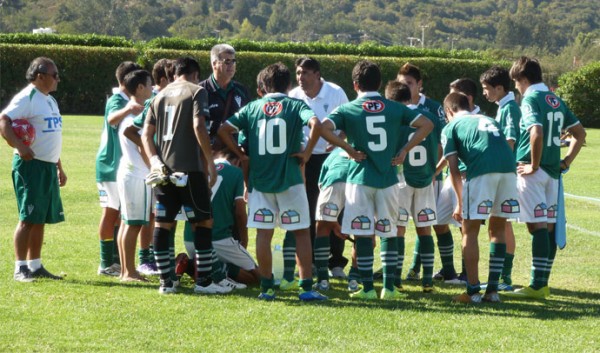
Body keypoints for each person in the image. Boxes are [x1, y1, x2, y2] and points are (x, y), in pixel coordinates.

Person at [218, 63, 360, 301]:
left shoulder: (253, 107)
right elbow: (316, 124)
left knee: (264, 234)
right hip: (290, 179)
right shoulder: (295, 105)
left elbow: (224, 129)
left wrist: (241, 155)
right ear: (288, 85)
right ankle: (305, 288)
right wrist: (307, 154)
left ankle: (267, 288)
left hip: (260, 181)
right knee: (301, 232)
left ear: (263, 85)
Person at [323, 60, 433, 300]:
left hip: (360, 179)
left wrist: (347, 148)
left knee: (363, 234)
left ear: (354, 85)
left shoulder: (348, 109)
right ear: (380, 83)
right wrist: (404, 150)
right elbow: (427, 124)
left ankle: (368, 290)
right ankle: (389, 288)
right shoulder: (394, 107)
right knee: (388, 232)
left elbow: (322, 128)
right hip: (389, 179)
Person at [141, 56, 230, 295]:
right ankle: (204, 282)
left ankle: (166, 283)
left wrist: (154, 161)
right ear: (194, 74)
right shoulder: (197, 91)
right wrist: (210, 162)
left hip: (163, 172)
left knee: (163, 223)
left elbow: (145, 135)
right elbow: (198, 125)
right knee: (203, 221)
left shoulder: (158, 95)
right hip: (190, 168)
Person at [505, 57, 586, 299]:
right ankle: (542, 282)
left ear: (524, 79)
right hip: (553, 172)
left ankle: (536, 285)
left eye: (516, 83)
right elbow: (579, 134)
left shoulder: (531, 98)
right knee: (548, 227)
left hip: (535, 172)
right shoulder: (555, 99)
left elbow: (536, 131)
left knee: (536, 226)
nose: (516, 89)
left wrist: (533, 164)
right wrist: (565, 162)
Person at [442, 92, 519, 303]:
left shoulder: (451, 126)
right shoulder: (489, 119)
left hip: (482, 173)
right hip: (509, 170)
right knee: (498, 229)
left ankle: (473, 291)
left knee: (470, 230)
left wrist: (459, 202)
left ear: (448, 111)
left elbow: (454, 170)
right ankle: (493, 291)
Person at [0, 57, 66, 281]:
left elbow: (51, 135)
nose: (58, 79)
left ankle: (35, 265)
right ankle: (20, 267)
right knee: (27, 217)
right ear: (40, 76)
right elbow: (4, 120)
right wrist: (19, 145)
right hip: (30, 166)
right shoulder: (27, 97)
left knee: (40, 218)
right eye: (54, 75)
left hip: (47, 166)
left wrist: (59, 165)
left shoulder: (50, 100)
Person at [288, 57, 350, 289]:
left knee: (335, 209)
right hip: (305, 159)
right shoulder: (294, 95)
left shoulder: (335, 92)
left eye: (304, 73)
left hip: (331, 158)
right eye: (298, 73)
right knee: (309, 207)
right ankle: (311, 261)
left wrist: (340, 141)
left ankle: (336, 262)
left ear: (317, 74)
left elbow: (346, 122)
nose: (300, 78)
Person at [397, 63, 457, 283]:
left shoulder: (433, 108)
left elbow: (443, 141)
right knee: (411, 223)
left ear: (419, 84)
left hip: (428, 175)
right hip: (405, 176)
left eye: (409, 84)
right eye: (401, 84)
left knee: (430, 223)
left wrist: (435, 169)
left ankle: (446, 268)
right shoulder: (398, 108)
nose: (405, 87)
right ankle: (413, 269)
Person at [384, 81, 443, 293]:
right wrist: (432, 171)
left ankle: (396, 278)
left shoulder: (394, 117)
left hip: (402, 178)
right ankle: (427, 280)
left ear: (391, 100)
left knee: (399, 229)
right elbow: (439, 146)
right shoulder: (431, 117)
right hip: (425, 178)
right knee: (424, 229)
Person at [179, 148, 260, 287]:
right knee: (257, 278)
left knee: (210, 265)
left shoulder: (199, 168)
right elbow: (240, 212)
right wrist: (244, 238)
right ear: (237, 161)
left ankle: (191, 265)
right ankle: (202, 267)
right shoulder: (236, 173)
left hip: (190, 239)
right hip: (219, 238)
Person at [95, 61, 143, 276]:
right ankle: (106, 262)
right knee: (110, 212)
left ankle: (116, 260)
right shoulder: (118, 99)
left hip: (121, 164)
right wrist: (128, 109)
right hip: (110, 164)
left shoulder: (128, 99)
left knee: (120, 215)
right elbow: (111, 119)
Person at [131, 58, 175, 276]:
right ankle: (146, 258)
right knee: (155, 216)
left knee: (165, 216)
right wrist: (151, 157)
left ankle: (165, 259)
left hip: (170, 166)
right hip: (157, 168)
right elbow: (132, 130)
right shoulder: (156, 101)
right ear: (166, 79)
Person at [480, 66, 521, 291]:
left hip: (505, 172)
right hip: (504, 171)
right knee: (501, 222)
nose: (484, 93)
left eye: (487, 89)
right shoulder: (503, 107)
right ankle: (503, 274)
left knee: (502, 222)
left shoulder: (510, 109)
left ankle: (505, 276)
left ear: (499, 87)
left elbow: (510, 141)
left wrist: (496, 165)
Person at [116, 69, 153, 281]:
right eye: (149, 84)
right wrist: (156, 168)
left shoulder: (130, 114)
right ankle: (128, 271)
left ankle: (126, 270)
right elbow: (142, 147)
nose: (152, 88)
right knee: (133, 224)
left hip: (129, 173)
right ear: (140, 88)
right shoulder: (135, 117)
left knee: (127, 223)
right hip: (135, 174)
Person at [199, 44, 250, 150]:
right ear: (214, 64)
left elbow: (248, 123)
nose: (231, 65)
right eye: (227, 61)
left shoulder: (241, 91)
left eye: (233, 61)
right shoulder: (200, 91)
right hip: (209, 154)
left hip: (236, 154)